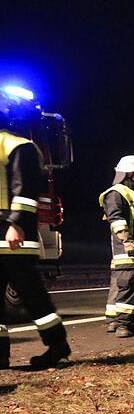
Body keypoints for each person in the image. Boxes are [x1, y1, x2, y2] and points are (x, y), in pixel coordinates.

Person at [0, 92, 71, 368]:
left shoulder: (20, 147)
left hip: (12, 235)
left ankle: (57, 346)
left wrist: (15, 223)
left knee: (32, 296)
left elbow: (25, 192)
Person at [99, 155, 134, 338]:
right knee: (127, 288)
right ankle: (122, 325)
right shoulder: (116, 193)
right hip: (128, 251)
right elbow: (116, 219)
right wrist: (126, 240)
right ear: (130, 173)